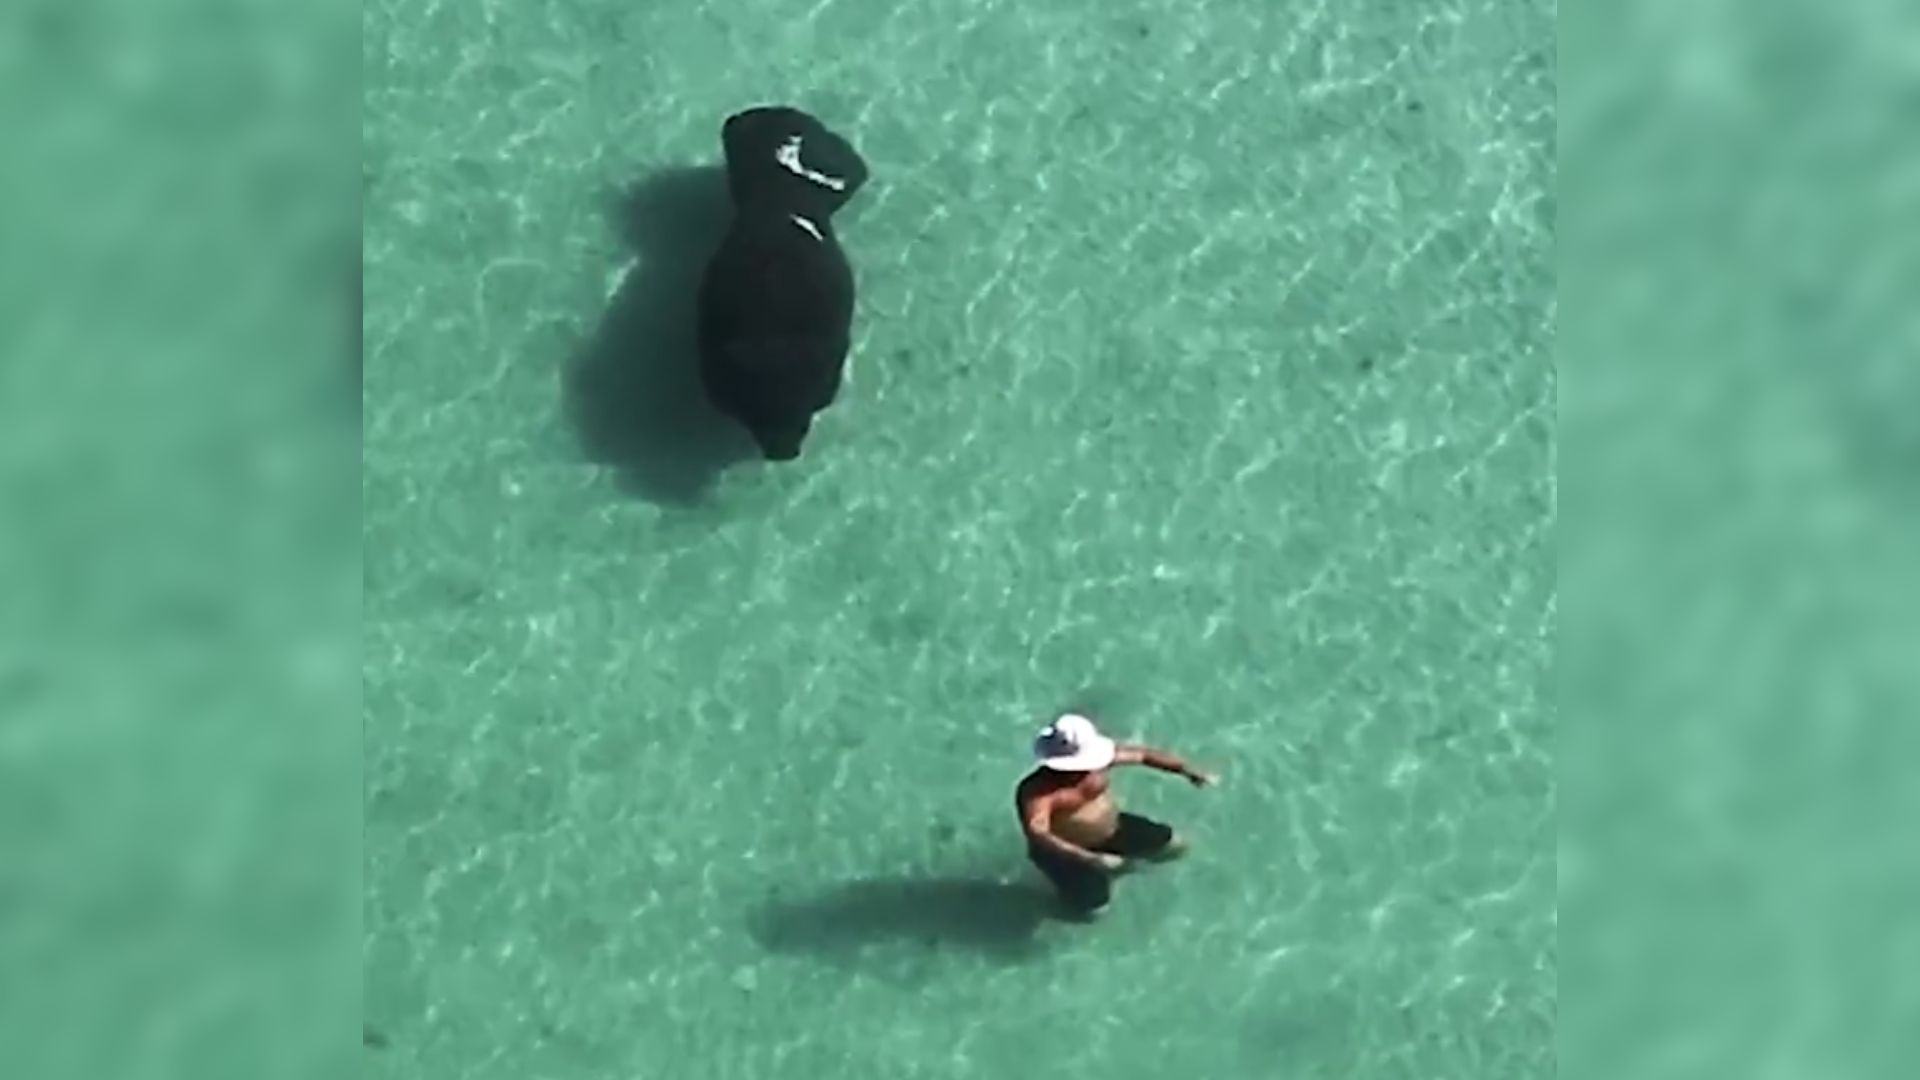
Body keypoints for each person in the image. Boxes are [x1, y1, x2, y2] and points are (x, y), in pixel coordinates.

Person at [1016, 713, 1217, 916]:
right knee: (1095, 911)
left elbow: (1143, 756)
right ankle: (1057, 902)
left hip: (1114, 829)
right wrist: (1089, 858)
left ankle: (1120, 868)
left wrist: (1187, 770)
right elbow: (1039, 833)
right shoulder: (1038, 791)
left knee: (1175, 847)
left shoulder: (1096, 764)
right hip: (1069, 855)